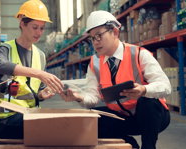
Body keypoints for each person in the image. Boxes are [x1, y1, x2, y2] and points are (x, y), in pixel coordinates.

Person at [59, 11, 171, 149]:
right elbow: (93, 98)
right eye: (92, 38)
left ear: (115, 33)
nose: (95, 42)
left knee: (147, 101)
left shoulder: (138, 54)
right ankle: (130, 145)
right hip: (122, 117)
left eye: (99, 35)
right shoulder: (95, 63)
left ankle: (148, 147)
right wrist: (78, 97)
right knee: (91, 119)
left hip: (151, 118)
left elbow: (166, 86)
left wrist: (143, 90)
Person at [0, 0, 64, 139]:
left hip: (31, 114)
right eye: (35, 27)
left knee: (62, 124)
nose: (39, 32)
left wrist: (41, 95)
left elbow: (36, 93)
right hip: (7, 118)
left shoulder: (41, 56)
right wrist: (38, 73)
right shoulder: (6, 49)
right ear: (22, 24)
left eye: (42, 28)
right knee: (52, 128)